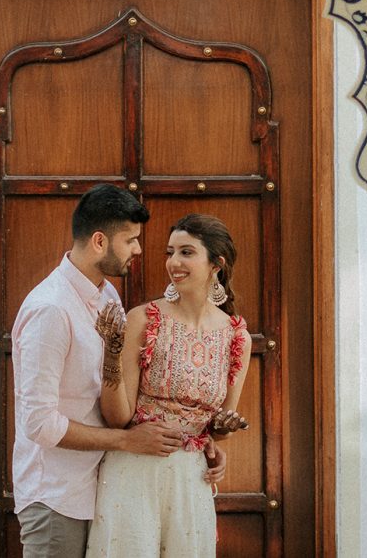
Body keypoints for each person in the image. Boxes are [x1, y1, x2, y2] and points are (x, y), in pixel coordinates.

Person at [11, 186, 226, 558]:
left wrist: (200, 440)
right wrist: (127, 442)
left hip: (105, 486)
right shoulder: (50, 310)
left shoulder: (107, 295)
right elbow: (39, 424)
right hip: (57, 497)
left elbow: (124, 393)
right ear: (99, 241)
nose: (139, 251)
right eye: (130, 241)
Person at [86, 213, 252, 558]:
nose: (174, 262)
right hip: (134, 472)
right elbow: (118, 417)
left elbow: (220, 426)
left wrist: (222, 433)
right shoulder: (143, 319)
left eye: (187, 252)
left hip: (191, 481)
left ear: (216, 264)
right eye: (170, 252)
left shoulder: (236, 336)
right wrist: (111, 355)